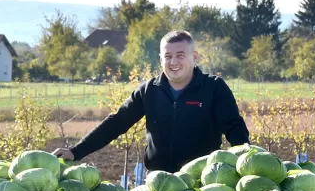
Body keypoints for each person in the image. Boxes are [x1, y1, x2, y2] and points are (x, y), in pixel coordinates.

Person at [54, 30, 250, 174]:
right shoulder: (149, 90)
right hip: (158, 183)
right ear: (160, 59)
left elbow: (234, 127)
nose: (173, 62)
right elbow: (116, 123)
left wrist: (245, 161)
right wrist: (76, 151)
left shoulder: (214, 88)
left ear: (195, 56)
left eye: (180, 55)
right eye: (168, 56)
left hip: (201, 182)